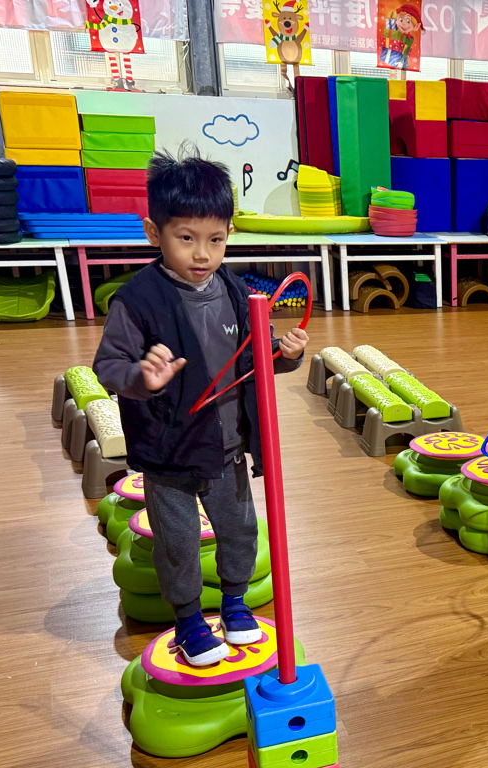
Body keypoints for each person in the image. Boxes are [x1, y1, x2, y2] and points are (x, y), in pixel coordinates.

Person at [94, 151, 308, 665]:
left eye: (216, 239)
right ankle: (189, 620)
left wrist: (285, 354)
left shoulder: (235, 290)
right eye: (186, 238)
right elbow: (108, 366)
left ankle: (234, 604)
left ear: (229, 233)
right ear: (154, 232)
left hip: (227, 449)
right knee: (179, 542)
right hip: (169, 454)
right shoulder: (137, 300)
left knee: (240, 531)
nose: (202, 254)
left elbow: (254, 357)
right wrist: (142, 377)